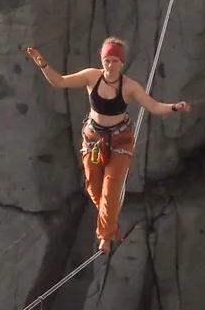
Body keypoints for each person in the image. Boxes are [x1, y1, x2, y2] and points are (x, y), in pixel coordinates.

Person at [25, 38, 189, 252]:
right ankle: (109, 218)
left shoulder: (129, 86)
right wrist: (43, 65)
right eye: (106, 60)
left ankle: (106, 237)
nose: (109, 65)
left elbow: (154, 106)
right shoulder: (91, 77)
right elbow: (60, 82)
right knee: (94, 189)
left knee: (110, 188)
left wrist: (175, 107)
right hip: (93, 140)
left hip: (120, 141)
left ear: (121, 63)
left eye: (114, 61)